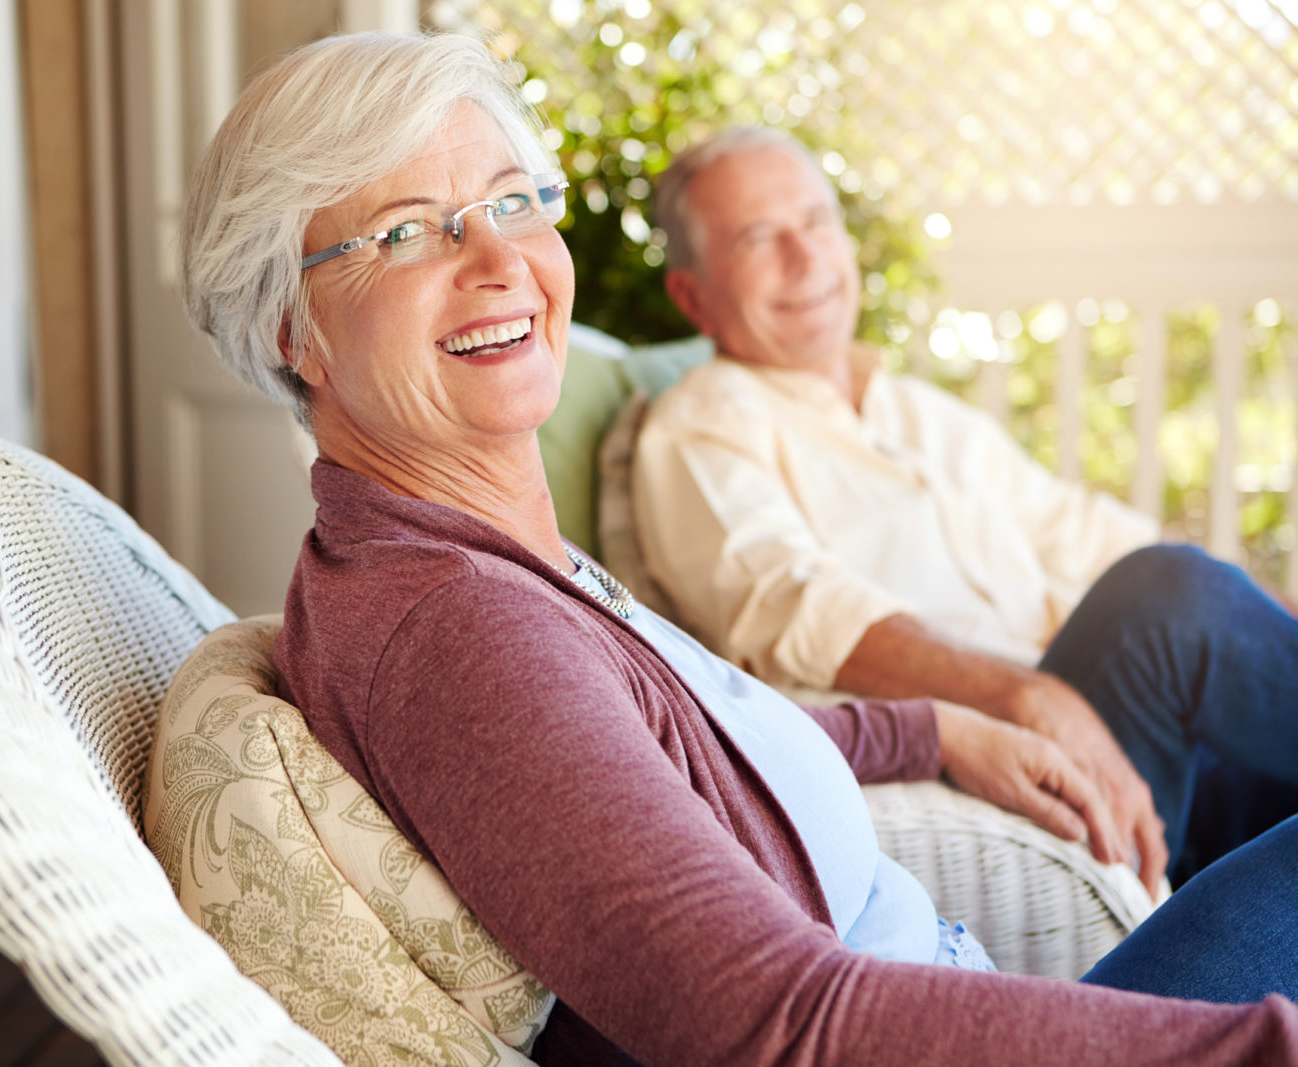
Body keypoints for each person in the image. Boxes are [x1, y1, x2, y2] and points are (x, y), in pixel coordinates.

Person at [177, 29, 1298, 1066]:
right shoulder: (464, 627)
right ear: (294, 328)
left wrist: (932, 728)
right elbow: (772, 1025)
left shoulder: (474, 564)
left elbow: (656, 746)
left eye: (513, 202)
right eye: (410, 229)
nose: (498, 260)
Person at [633, 126, 1298, 894]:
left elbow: (1086, 535)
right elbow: (793, 605)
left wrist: (1267, 621)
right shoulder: (702, 424)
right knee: (1167, 595)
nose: (806, 256)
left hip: (1137, 740)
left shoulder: (918, 411)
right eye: (758, 237)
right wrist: (1023, 695)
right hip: (1000, 748)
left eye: (817, 222)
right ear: (694, 295)